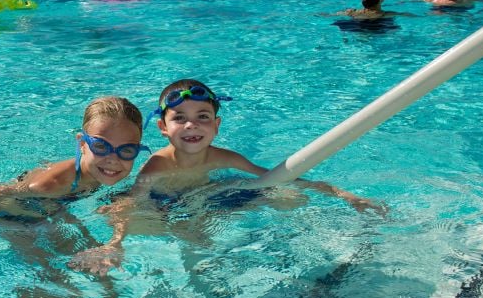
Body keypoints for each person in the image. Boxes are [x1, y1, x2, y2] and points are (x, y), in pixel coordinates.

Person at [69, 79, 385, 275]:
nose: (191, 126)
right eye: (180, 119)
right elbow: (134, 204)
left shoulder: (226, 158)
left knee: (288, 197)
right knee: (179, 230)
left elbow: (281, 176)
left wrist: (345, 195)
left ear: (216, 125)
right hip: (166, 205)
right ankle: (203, 267)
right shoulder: (157, 166)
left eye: (201, 118)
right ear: (163, 128)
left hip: (209, 197)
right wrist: (115, 242)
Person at [0, 96, 149, 237]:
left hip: (51, 208)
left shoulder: (96, 173)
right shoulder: (50, 183)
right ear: (82, 144)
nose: (113, 159)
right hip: (9, 214)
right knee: (53, 276)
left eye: (126, 150)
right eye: (101, 146)